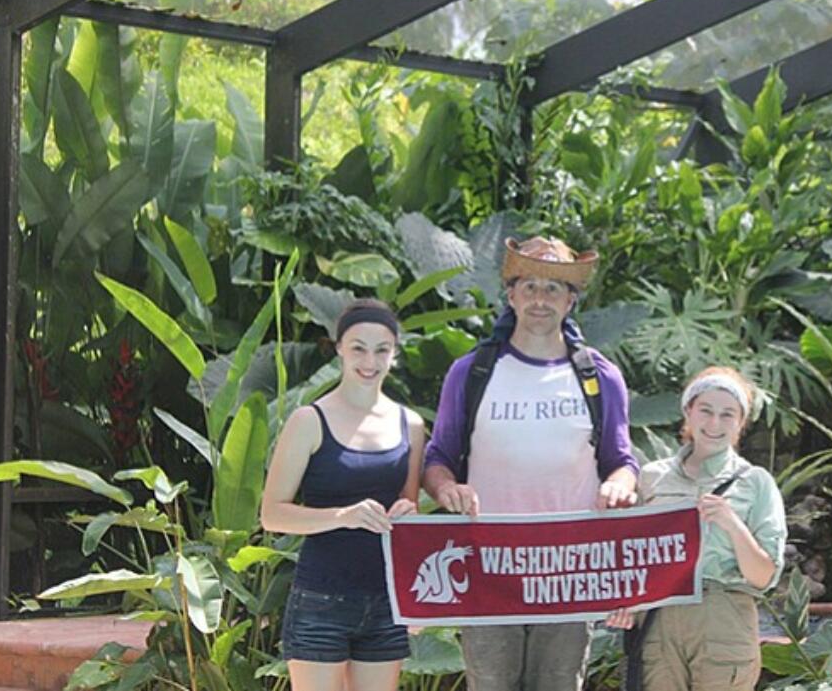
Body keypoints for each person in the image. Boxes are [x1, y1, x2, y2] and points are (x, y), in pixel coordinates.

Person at [423, 236, 638, 691]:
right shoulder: (473, 371)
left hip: (567, 569)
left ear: (571, 300)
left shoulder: (599, 377)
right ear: (512, 294)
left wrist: (620, 484)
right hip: (488, 567)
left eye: (553, 288)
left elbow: (622, 461)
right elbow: (438, 459)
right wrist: (447, 490)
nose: (541, 299)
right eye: (531, 286)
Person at [261, 298, 424, 691]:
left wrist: (409, 515)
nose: (370, 361)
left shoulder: (411, 425)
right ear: (338, 348)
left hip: (387, 601)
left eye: (381, 350)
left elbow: (409, 509)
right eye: (358, 348)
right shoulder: (308, 421)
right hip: (321, 599)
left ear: (394, 354)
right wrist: (341, 516)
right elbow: (271, 514)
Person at [608, 366, 786, 691]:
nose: (714, 423)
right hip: (660, 617)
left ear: (740, 424)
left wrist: (732, 525)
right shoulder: (652, 476)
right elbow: (631, 556)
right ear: (688, 412)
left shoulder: (755, 482)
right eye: (705, 410)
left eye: (727, 414)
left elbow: (763, 576)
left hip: (722, 614)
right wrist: (626, 605)